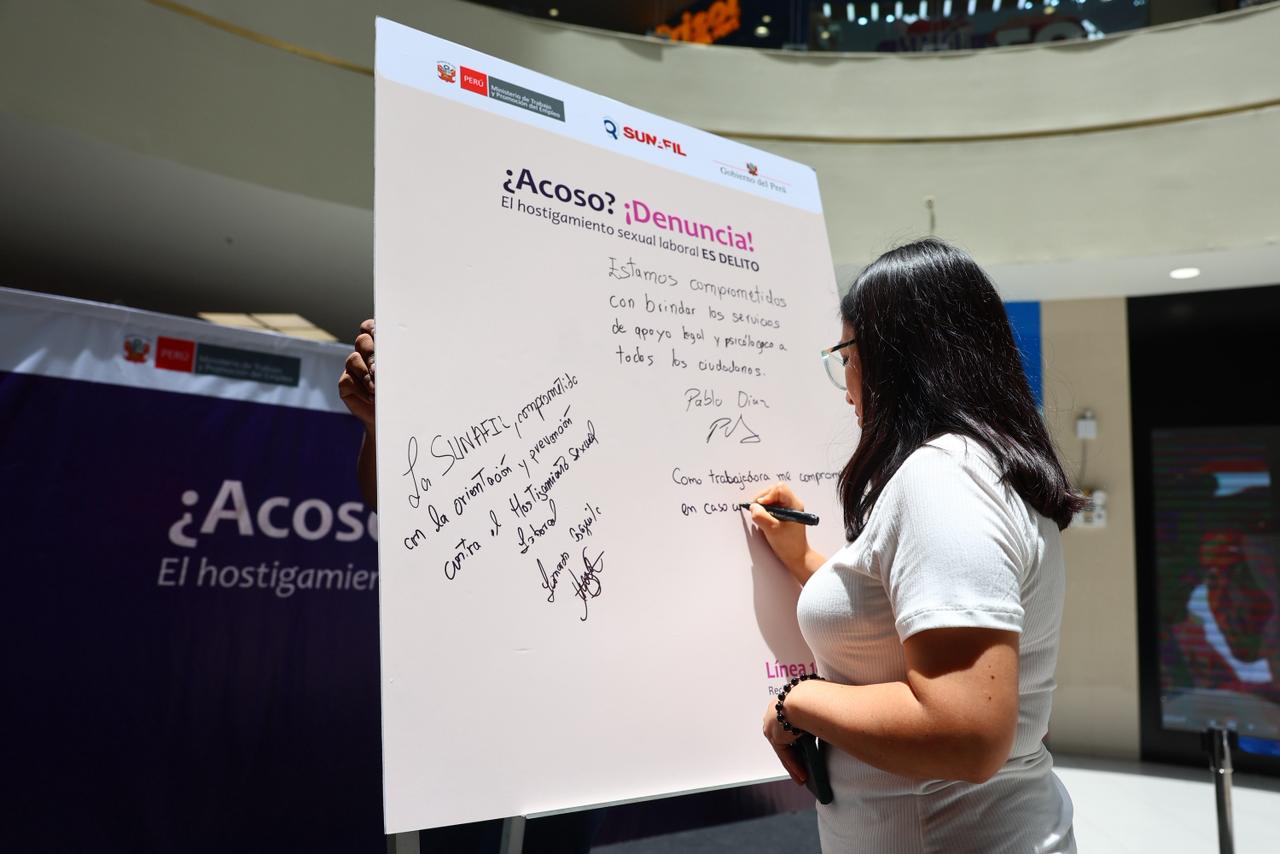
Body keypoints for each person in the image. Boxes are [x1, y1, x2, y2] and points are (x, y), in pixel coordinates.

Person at [748, 238, 1083, 853]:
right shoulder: (977, 470)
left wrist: (798, 702)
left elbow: (965, 734)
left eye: (844, 354)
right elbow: (896, 625)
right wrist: (803, 562)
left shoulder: (944, 479)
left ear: (889, 357)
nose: (845, 382)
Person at [338, 319, 604, 854]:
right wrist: (381, 428)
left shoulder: (589, 385)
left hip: (566, 693)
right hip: (461, 695)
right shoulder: (454, 361)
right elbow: (395, 510)